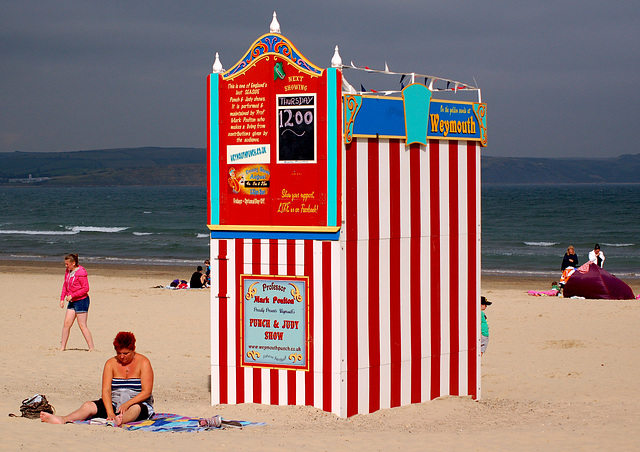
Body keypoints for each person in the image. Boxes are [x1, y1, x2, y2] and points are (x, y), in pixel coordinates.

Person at [40, 331, 154, 426]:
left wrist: (127, 404)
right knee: (88, 405)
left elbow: (146, 392)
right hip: (115, 402)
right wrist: (110, 412)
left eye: (125, 353)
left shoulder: (143, 363)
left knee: (135, 409)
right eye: (119, 353)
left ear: (133, 350)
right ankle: (63, 419)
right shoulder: (110, 363)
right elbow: (106, 390)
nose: (122, 357)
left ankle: (120, 421)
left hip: (137, 402)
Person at [59, 253, 95, 351]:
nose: (66, 266)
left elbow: (86, 288)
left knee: (82, 325)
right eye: (65, 264)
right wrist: (62, 298)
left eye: (67, 264)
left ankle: (91, 348)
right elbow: (65, 285)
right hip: (72, 301)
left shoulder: (81, 273)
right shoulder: (68, 272)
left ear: (73, 263)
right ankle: (62, 347)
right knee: (67, 323)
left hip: (81, 301)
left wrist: (73, 295)